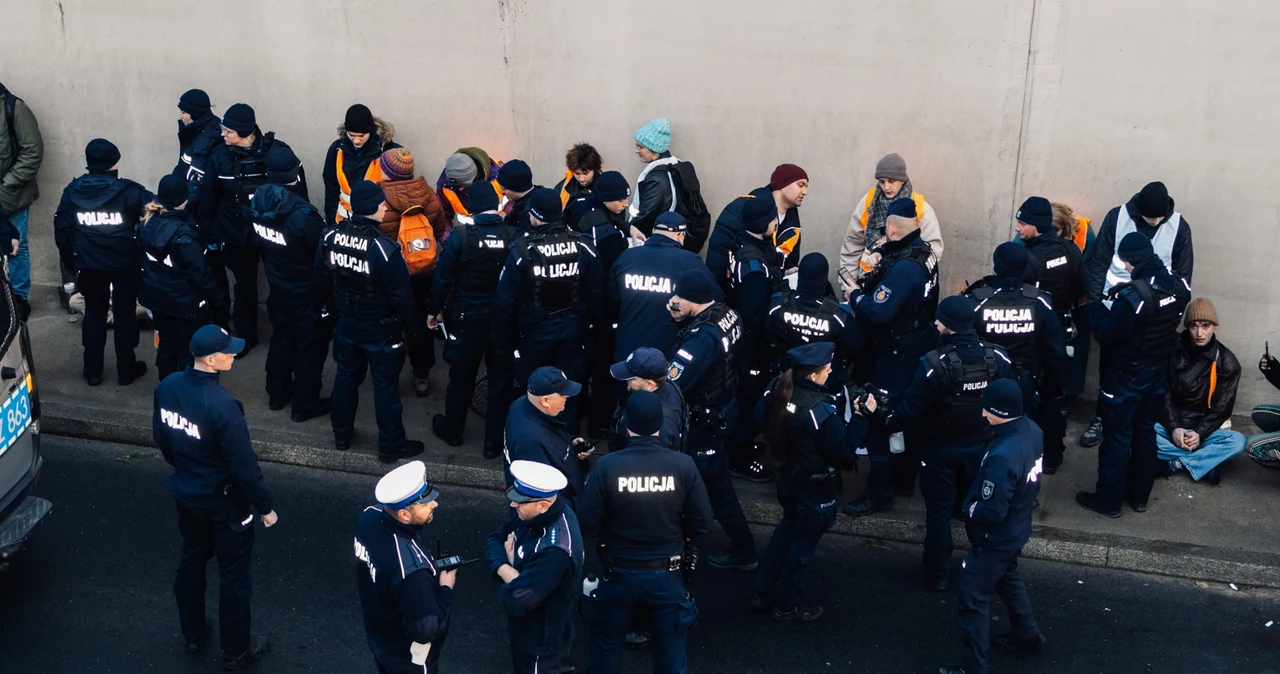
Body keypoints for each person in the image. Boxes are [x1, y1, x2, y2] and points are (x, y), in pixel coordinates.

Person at [153, 324, 275, 670]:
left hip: (187, 494)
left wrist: (187, 470)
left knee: (192, 561)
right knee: (234, 579)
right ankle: (237, 650)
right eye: (228, 351)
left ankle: (193, 634)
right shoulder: (223, 406)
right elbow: (243, 465)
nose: (233, 354)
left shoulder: (168, 386)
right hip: (225, 505)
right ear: (210, 359)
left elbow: (162, 438)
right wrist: (264, 507)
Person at [578, 390, 713, 674]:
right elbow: (702, 521)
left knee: (605, 647)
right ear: (660, 425)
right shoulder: (683, 465)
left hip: (617, 572)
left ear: (626, 424)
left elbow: (588, 523)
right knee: (671, 652)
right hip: (668, 574)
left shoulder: (607, 466)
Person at [885, 296, 1012, 591]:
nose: (936, 324)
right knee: (978, 510)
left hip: (940, 449)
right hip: (982, 447)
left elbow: (911, 409)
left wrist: (888, 420)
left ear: (949, 327)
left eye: (939, 321)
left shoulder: (933, 365)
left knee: (939, 514)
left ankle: (937, 573)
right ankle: (984, 569)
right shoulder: (999, 358)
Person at [751, 342, 872, 621]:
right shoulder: (819, 411)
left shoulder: (777, 389)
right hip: (814, 486)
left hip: (787, 476)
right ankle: (787, 605)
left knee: (785, 532)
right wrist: (862, 416)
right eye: (827, 370)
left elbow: (759, 419)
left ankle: (763, 593)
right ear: (815, 375)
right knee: (802, 547)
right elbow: (843, 451)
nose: (830, 374)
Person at [1077, 233, 1190, 517]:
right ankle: (1139, 497)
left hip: (1126, 376)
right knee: (1145, 432)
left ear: (1128, 260)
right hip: (1156, 373)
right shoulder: (1179, 285)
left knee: (1118, 437)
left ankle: (1109, 501)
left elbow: (1106, 332)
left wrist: (1094, 307)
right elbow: (1159, 302)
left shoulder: (1133, 297)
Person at [938, 379, 1045, 674]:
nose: (983, 414)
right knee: (1007, 577)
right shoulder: (1033, 431)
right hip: (1017, 528)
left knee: (972, 598)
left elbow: (992, 510)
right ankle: (1028, 634)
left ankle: (973, 669)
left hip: (995, 538)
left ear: (999, 411)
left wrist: (969, 508)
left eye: (987, 409)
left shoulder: (1002, 455)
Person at [843, 198, 939, 516]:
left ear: (891, 229)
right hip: (918, 345)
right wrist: (884, 252)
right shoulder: (924, 253)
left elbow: (879, 311)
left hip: (897, 352)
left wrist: (854, 294)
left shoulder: (904, 269)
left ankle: (879, 491)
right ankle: (903, 481)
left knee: (877, 417)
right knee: (911, 416)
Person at [1080, 181, 1194, 448]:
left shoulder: (1178, 225)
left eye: (1159, 217)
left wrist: (1170, 312)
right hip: (1117, 306)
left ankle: (1138, 425)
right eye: (1149, 217)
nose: (1154, 222)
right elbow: (1098, 264)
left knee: (1148, 373)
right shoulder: (1117, 217)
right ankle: (1102, 417)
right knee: (1110, 367)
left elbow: (1184, 274)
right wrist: (1096, 304)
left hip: (1154, 314)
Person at [315, 180, 423, 461]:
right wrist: (414, 331)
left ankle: (341, 434)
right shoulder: (384, 248)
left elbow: (321, 278)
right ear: (373, 208)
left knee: (346, 377)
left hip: (347, 323)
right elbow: (403, 297)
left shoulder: (331, 237)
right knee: (385, 386)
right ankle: (390, 445)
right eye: (382, 203)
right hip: (380, 329)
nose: (386, 206)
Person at [198, 103, 307, 356]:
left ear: (245, 131)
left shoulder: (278, 153)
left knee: (280, 283)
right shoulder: (220, 156)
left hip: (272, 232)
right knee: (244, 286)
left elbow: (298, 194)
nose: (222, 134)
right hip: (236, 233)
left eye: (227, 131)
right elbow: (208, 197)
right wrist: (209, 232)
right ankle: (246, 337)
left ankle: (285, 331)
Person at [666, 269, 757, 570]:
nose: (673, 301)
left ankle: (744, 551)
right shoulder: (725, 313)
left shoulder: (701, 338)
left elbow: (673, 381)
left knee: (719, 489)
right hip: (725, 408)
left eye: (677, 297)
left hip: (704, 421)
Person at [491, 187, 598, 428]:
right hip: (571, 327)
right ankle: (568, 446)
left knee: (533, 388)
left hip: (534, 330)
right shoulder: (585, 245)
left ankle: (534, 443)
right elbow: (596, 291)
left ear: (535, 216)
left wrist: (500, 340)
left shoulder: (522, 250)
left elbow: (504, 301)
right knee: (565, 389)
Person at [53, 138, 152, 386]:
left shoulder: (73, 191)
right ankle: (126, 370)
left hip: (90, 267)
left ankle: (92, 371)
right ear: (115, 162)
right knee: (125, 316)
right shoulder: (129, 191)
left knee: (94, 317)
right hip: (125, 266)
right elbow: (157, 211)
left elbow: (61, 229)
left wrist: (70, 261)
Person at [427, 181, 514, 457]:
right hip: (502, 319)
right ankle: (493, 444)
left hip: (467, 316)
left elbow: (443, 277)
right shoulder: (513, 234)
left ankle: (453, 431)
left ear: (472, 208)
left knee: (461, 376)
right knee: (500, 380)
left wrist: (433, 309)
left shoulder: (461, 236)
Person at [965, 242, 1069, 471]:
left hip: (985, 377)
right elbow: (1055, 349)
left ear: (996, 266)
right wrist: (1057, 386)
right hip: (1025, 378)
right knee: (1020, 430)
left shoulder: (977, 300)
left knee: (982, 430)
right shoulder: (1039, 300)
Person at [250, 149, 330, 421]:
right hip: (306, 291)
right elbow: (322, 254)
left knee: (282, 339)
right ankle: (304, 405)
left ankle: (276, 393)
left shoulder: (257, 203)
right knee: (309, 347)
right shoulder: (303, 215)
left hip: (278, 286)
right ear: (295, 174)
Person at [355, 461, 455, 674]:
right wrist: (446, 588)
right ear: (404, 515)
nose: (434, 504)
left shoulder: (369, 516)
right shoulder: (412, 572)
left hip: (378, 636)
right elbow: (425, 630)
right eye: (426, 502)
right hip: (407, 658)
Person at [485, 460, 584, 674]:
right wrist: (510, 569)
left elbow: (515, 601)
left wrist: (507, 569)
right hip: (534, 628)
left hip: (540, 641)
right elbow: (494, 539)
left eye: (520, 502)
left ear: (543, 504)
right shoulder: (538, 515)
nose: (513, 505)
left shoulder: (554, 551)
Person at [726, 197, 790, 483]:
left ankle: (742, 445)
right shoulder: (752, 265)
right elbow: (754, 312)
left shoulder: (744, 243)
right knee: (750, 401)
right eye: (773, 217)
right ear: (764, 223)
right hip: (753, 345)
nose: (777, 221)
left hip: (748, 340)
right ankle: (740, 459)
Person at [139, 174, 228, 379]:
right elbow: (200, 275)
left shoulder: (145, 224)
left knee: (166, 344)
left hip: (157, 299)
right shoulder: (185, 237)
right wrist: (218, 299)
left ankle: (167, 387)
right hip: (184, 304)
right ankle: (188, 394)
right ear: (184, 201)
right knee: (189, 350)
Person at [378, 148, 447, 399]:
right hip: (422, 271)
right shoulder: (428, 195)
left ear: (388, 172)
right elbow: (439, 229)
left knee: (389, 324)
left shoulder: (380, 198)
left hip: (392, 274)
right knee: (420, 324)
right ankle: (421, 375)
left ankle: (388, 374)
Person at [610, 206, 714, 364]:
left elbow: (609, 299)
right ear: (680, 235)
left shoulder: (626, 257)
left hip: (627, 348)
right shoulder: (690, 261)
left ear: (653, 230)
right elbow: (712, 301)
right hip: (666, 352)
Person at [1157, 299, 1243, 485]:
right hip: (1171, 422)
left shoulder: (1227, 361)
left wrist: (1199, 433)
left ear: (1214, 326)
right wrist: (1174, 428)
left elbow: (1222, 408)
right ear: (1187, 327)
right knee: (1135, 430)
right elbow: (1163, 393)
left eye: (1206, 326)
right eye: (1194, 326)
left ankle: (1176, 463)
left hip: (1204, 429)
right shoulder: (1172, 350)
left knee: (1237, 443)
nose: (1199, 333)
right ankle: (1206, 461)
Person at [576, 171, 633, 435]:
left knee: (579, 364)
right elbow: (611, 275)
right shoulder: (607, 235)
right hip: (602, 310)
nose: (625, 204)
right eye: (621, 199)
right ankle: (599, 423)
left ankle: (579, 407)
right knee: (603, 367)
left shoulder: (584, 215)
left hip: (581, 306)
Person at [765, 252, 862, 390]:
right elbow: (854, 349)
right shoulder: (839, 316)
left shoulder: (778, 305)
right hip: (825, 383)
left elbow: (769, 336)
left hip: (786, 378)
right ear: (824, 279)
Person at [839, 153, 944, 279]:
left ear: (902, 179)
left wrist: (892, 248)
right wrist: (848, 284)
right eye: (882, 182)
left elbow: (932, 253)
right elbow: (852, 246)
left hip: (901, 281)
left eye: (891, 181)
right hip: (866, 279)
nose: (886, 187)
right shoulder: (868, 203)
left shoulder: (920, 209)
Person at [503, 366, 590, 508]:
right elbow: (541, 494)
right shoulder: (530, 442)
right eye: (563, 394)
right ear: (545, 401)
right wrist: (570, 512)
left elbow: (551, 435)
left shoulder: (520, 405)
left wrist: (570, 441)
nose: (567, 397)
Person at [707, 163, 809, 282]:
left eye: (806, 186)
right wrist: (716, 293)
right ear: (782, 184)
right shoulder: (743, 207)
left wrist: (787, 273)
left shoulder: (793, 219)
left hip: (772, 291)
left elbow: (790, 262)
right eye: (800, 185)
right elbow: (718, 253)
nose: (805, 192)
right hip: (739, 290)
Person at [0, 81, 43, 321]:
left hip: (10, 194)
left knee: (17, 246)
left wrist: (7, 184)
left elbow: (32, 151)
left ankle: (18, 299)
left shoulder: (14, 108)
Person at [322, 103, 400, 224]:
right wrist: (332, 221)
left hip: (379, 226)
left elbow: (399, 193)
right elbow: (331, 189)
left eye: (361, 136)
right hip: (343, 222)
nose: (356, 141)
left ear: (371, 130)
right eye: (351, 135)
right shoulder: (336, 149)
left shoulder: (390, 152)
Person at [608, 347, 688, 452]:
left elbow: (652, 462)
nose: (626, 380)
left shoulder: (658, 423)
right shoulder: (670, 386)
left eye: (632, 378)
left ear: (649, 384)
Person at [436, 147, 504, 240]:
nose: (460, 189)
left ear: (475, 176)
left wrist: (506, 219)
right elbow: (443, 219)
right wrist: (450, 242)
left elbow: (518, 197)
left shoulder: (499, 173)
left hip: (500, 230)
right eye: (457, 186)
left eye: (464, 185)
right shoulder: (445, 186)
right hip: (469, 236)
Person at [628, 117, 679, 239]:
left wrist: (630, 229)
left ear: (654, 148)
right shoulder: (670, 167)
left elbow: (647, 215)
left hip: (650, 238)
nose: (637, 151)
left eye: (640, 147)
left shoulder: (656, 179)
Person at [172, 88, 222, 208]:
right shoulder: (194, 130)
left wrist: (181, 206)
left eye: (184, 112)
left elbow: (196, 182)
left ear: (195, 113)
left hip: (198, 205)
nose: (181, 116)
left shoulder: (206, 139)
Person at [554, 142, 602, 228]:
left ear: (594, 169)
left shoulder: (605, 186)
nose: (581, 178)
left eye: (585, 173)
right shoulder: (563, 189)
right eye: (577, 173)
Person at [497, 159, 538, 232]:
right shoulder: (522, 200)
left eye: (504, 188)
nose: (502, 192)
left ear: (516, 188)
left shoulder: (531, 211)